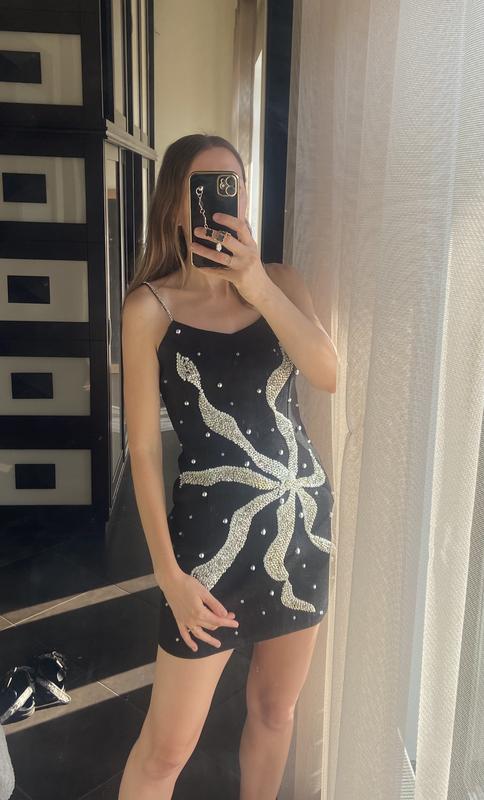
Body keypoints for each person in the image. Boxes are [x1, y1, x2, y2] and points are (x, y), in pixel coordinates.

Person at [118, 133, 338, 800]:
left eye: (232, 187)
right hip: (207, 551)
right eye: (205, 189)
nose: (221, 203)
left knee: (275, 711)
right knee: (166, 749)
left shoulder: (281, 283)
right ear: (175, 205)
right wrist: (168, 576)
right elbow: (143, 450)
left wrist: (256, 284)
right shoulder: (150, 307)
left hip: (300, 526)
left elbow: (328, 374)